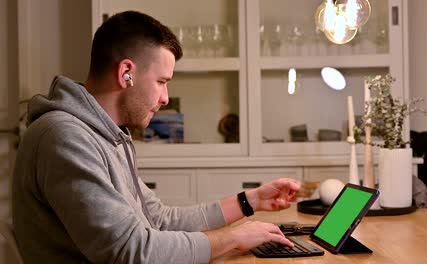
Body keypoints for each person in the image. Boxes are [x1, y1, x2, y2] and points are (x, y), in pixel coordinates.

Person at [12, 10, 301, 264]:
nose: (165, 98)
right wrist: (233, 238)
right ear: (126, 73)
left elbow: (159, 221)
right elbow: (131, 251)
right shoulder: (64, 137)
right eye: (162, 82)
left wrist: (248, 201)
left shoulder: (107, 135)